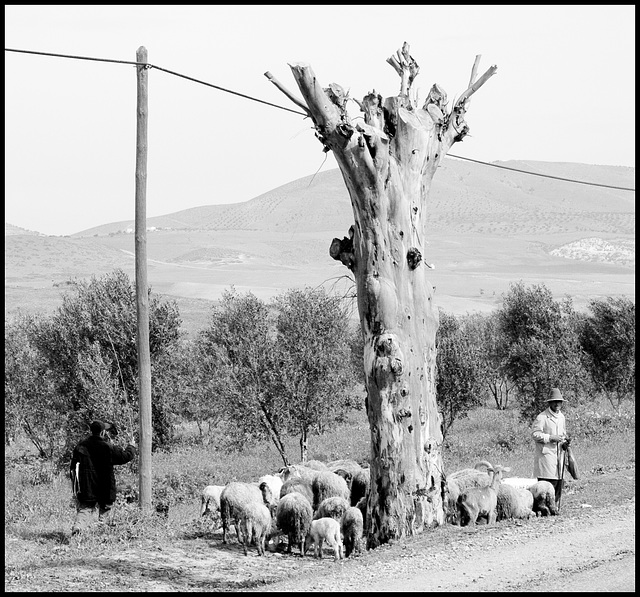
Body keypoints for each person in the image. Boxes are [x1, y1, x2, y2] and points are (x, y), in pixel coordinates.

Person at [70, 420, 137, 534]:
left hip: (87, 485)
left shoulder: (80, 447)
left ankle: (78, 528)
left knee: (85, 508)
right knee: (105, 509)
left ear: (91, 431)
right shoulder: (108, 447)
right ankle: (102, 533)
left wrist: (76, 486)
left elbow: (73, 468)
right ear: (102, 433)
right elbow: (125, 457)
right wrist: (131, 446)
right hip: (105, 485)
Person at [532, 388, 570, 509]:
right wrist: (550, 438)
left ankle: (555, 507)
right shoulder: (542, 417)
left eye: (559, 402)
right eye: (554, 402)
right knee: (547, 483)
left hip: (559, 454)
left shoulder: (561, 417)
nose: (557, 404)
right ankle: (544, 508)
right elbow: (535, 434)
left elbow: (563, 433)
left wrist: (565, 441)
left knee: (559, 481)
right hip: (546, 455)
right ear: (549, 403)